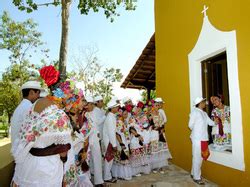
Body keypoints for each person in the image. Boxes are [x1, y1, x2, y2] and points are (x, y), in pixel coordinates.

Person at [11, 65, 79, 187]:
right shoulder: (59, 115)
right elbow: (63, 150)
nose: (70, 99)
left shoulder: (35, 105)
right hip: (48, 169)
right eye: (70, 95)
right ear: (63, 92)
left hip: (29, 164)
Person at [10, 80, 44, 186]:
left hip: (20, 151)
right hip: (24, 153)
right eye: (38, 93)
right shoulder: (28, 108)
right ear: (31, 93)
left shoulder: (21, 107)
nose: (39, 96)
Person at [188, 97, 215, 185]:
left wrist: (216, 122)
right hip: (197, 138)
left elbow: (210, 122)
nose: (205, 103)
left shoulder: (204, 113)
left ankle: (193, 173)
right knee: (197, 158)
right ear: (200, 103)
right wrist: (196, 132)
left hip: (203, 138)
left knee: (198, 157)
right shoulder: (195, 112)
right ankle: (197, 177)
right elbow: (190, 125)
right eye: (204, 102)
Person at [103, 98, 120, 183]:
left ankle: (108, 175)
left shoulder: (111, 116)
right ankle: (107, 177)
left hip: (110, 141)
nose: (118, 108)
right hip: (109, 141)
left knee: (109, 159)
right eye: (116, 107)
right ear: (112, 108)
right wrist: (114, 144)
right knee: (108, 159)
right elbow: (111, 132)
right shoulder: (110, 117)